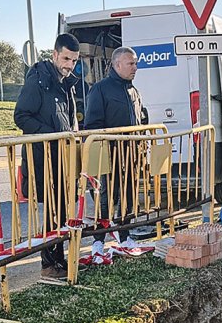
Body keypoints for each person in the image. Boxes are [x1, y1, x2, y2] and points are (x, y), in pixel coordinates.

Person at [14, 34, 80, 281]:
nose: (69, 65)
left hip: (63, 160)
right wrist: (53, 136)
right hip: (44, 160)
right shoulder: (38, 81)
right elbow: (21, 116)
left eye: (73, 61)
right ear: (54, 54)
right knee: (53, 213)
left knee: (63, 213)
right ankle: (48, 264)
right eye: (65, 58)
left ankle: (59, 260)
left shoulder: (65, 83)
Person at [83, 47, 147, 263]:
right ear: (117, 64)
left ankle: (125, 236)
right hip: (108, 155)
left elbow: (141, 120)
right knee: (106, 198)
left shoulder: (134, 91)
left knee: (128, 196)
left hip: (131, 156)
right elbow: (92, 125)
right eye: (131, 64)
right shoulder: (100, 90)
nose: (135, 68)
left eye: (136, 63)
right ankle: (98, 241)